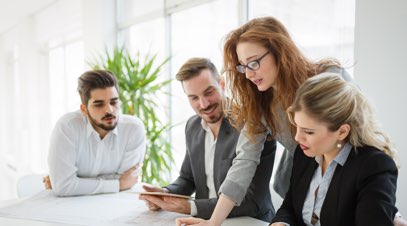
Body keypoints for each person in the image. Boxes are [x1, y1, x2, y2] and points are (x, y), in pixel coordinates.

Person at [176, 16, 405, 226]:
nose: (248, 73)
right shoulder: (260, 103)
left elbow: (365, 130)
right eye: (243, 66)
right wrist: (213, 222)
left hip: (349, 184)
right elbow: (244, 162)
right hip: (303, 185)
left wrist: (382, 199)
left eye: (254, 62)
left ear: (279, 51)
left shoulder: (327, 77)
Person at [139, 58, 276, 221]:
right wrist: (165, 194)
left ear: (222, 84)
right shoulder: (192, 126)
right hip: (204, 220)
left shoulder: (253, 125)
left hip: (250, 221)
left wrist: (190, 207)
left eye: (209, 92)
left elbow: (252, 202)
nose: (203, 104)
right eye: (194, 98)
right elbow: (187, 179)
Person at [270, 73, 398, 225]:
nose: (297, 137)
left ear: (342, 132)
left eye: (309, 131)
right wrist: (281, 223)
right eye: (296, 126)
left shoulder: (373, 166)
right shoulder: (305, 154)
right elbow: (290, 206)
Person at [46, 69, 146, 197]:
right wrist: (117, 184)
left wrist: (74, 181)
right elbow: (63, 186)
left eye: (114, 102)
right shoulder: (67, 127)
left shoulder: (133, 129)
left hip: (115, 203)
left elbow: (128, 180)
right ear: (84, 109)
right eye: (99, 105)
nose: (109, 110)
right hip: (71, 207)